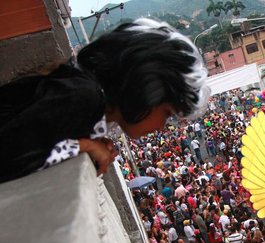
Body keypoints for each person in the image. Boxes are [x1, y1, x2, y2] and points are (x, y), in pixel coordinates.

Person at [0, 18, 208, 183]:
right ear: (145, 90)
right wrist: (84, 146)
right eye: (167, 114)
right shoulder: (82, 96)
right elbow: (10, 154)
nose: (163, 125)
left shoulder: (83, 94)